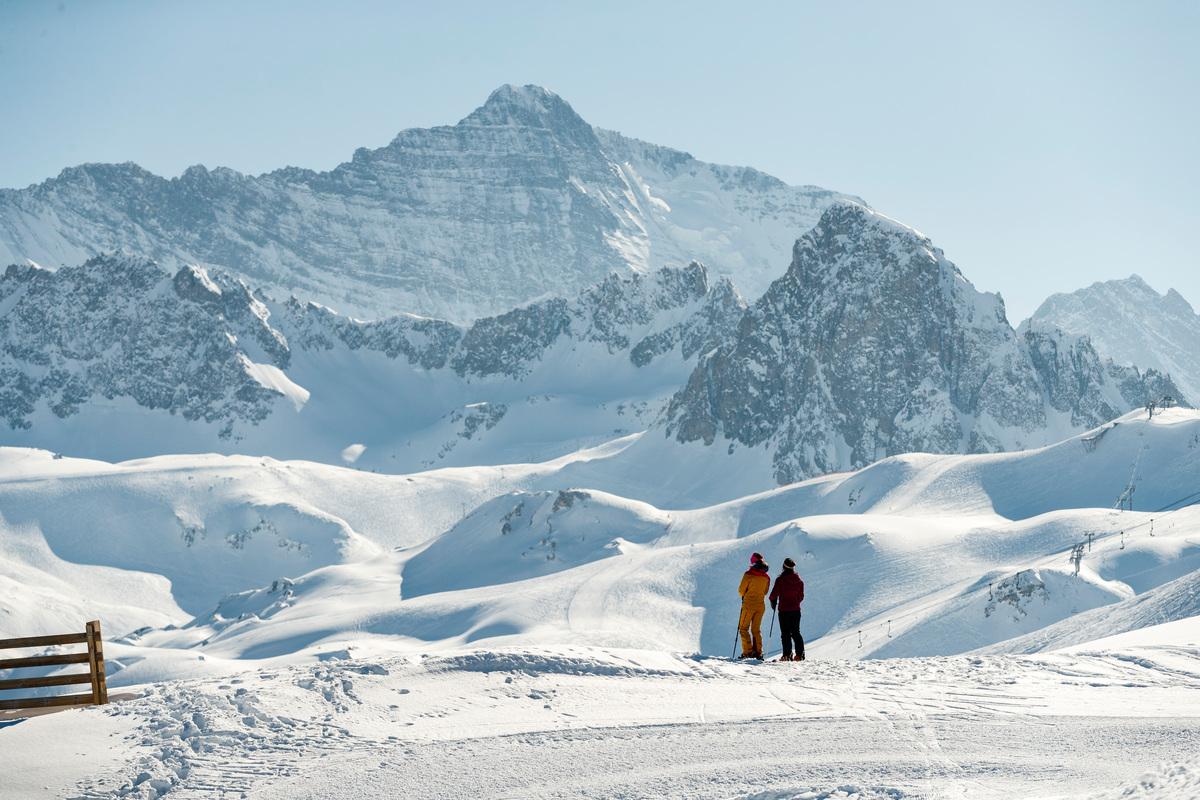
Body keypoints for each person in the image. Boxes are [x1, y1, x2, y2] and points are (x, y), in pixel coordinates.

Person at [769, 557, 805, 661]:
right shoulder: (799, 581)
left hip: (784, 610)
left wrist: (773, 603)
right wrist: (795, 601)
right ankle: (799, 655)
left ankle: (787, 654)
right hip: (796, 610)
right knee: (796, 632)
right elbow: (801, 596)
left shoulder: (780, 580)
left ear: (784, 567)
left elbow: (772, 595)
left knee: (785, 633)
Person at [737, 552, 771, 659]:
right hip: (760, 606)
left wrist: (746, 595)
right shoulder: (766, 577)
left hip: (748, 605)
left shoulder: (748, 574)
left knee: (743, 628)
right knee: (756, 629)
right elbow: (765, 592)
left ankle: (748, 652)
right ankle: (758, 653)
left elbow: (741, 590)